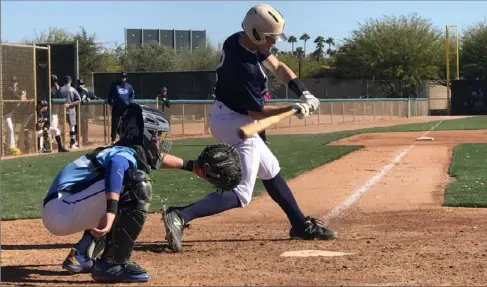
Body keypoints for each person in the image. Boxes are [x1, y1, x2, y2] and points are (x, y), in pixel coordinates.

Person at [161, 3, 335, 253]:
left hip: (232, 115)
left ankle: (299, 224)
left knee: (271, 169)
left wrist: (303, 92)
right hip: (236, 123)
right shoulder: (244, 68)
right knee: (242, 192)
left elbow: (277, 67)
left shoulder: (239, 40)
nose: (274, 43)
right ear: (255, 34)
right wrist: (293, 109)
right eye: (270, 38)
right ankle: (179, 214)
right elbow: (257, 112)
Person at [45, 102, 241, 282]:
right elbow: (117, 165)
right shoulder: (122, 155)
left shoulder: (123, 150)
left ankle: (81, 255)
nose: (158, 141)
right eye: (156, 135)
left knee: (127, 184)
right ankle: (113, 264)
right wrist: (111, 211)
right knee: (136, 184)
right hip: (64, 207)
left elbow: (153, 160)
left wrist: (193, 167)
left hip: (64, 206)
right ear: (145, 134)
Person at [108, 72, 135, 145]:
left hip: (125, 108)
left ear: (126, 78)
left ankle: (124, 138)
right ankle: (113, 139)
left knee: (125, 123)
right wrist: (110, 102)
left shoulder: (129, 86)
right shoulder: (115, 85)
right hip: (116, 107)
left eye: (124, 77)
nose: (123, 78)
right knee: (114, 123)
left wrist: (129, 102)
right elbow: (110, 95)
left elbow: (132, 96)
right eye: (122, 77)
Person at [58, 76, 81, 149]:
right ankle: (72, 143)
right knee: (72, 127)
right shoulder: (72, 89)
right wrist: (70, 104)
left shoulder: (60, 89)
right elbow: (79, 100)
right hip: (71, 110)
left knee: (61, 127)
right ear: (70, 82)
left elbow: (56, 99)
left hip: (61, 110)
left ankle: (62, 144)